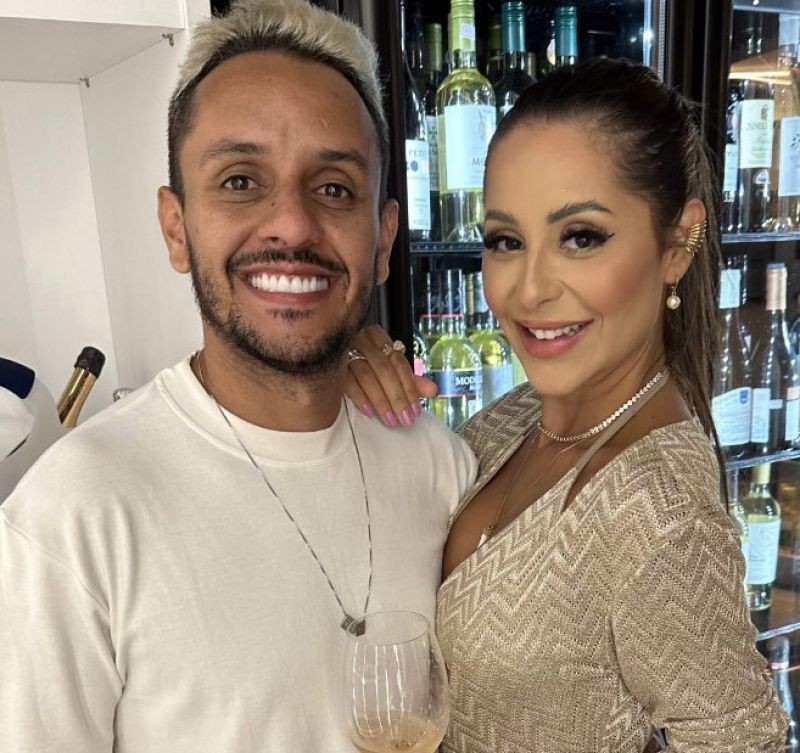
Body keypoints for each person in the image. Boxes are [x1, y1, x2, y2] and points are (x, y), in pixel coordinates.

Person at [0, 1, 476, 751]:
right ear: (176, 227)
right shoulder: (72, 516)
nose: (292, 225)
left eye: (334, 188)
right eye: (240, 180)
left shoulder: (438, 464)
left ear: (383, 240)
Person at [347, 58, 788, 752]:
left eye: (580, 237)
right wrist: (349, 368)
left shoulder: (657, 509)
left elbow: (745, 740)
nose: (528, 290)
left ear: (679, 241)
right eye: (506, 241)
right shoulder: (519, 415)